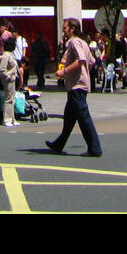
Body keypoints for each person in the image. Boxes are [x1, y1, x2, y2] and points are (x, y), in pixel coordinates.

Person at [46, 18, 101, 157]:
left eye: (65, 28)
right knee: (69, 117)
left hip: (77, 85)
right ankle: (58, 144)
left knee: (84, 117)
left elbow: (81, 60)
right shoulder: (83, 42)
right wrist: (85, 74)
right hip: (78, 84)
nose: (63, 30)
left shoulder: (74, 42)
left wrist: (64, 72)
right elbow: (92, 61)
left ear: (72, 29)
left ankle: (95, 148)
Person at [0, 37, 19, 128]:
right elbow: (2, 69)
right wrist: (8, 76)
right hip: (9, 80)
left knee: (12, 98)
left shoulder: (11, 55)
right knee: (8, 99)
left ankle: (12, 118)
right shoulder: (6, 55)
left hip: (13, 79)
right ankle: (6, 119)